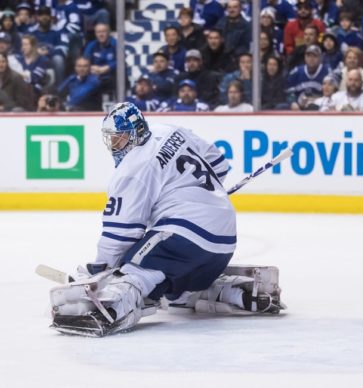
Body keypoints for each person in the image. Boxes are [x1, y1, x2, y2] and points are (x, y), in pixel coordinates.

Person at [48, 102, 283, 336]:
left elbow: (119, 235)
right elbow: (219, 163)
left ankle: (106, 309)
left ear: (135, 133)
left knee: (133, 269)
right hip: (224, 240)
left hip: (185, 235)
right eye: (111, 139)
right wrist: (194, 192)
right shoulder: (169, 130)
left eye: (119, 138)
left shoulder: (132, 169)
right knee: (170, 285)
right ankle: (231, 291)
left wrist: (99, 273)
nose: (114, 145)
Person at [286, 44, 331, 110]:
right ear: (305, 57)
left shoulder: (327, 72)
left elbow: (332, 94)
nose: (311, 59)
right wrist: (292, 102)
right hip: (299, 108)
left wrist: (317, 100)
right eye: (308, 56)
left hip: (320, 108)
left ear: (320, 58)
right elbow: (289, 92)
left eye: (314, 56)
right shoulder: (296, 72)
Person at [83, 22, 116, 93]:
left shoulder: (115, 44)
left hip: (112, 75)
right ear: (95, 34)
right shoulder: (91, 45)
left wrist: (107, 68)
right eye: (98, 32)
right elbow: (85, 61)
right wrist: (91, 68)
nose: (101, 34)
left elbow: (121, 61)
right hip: (95, 75)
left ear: (108, 33)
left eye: (103, 32)